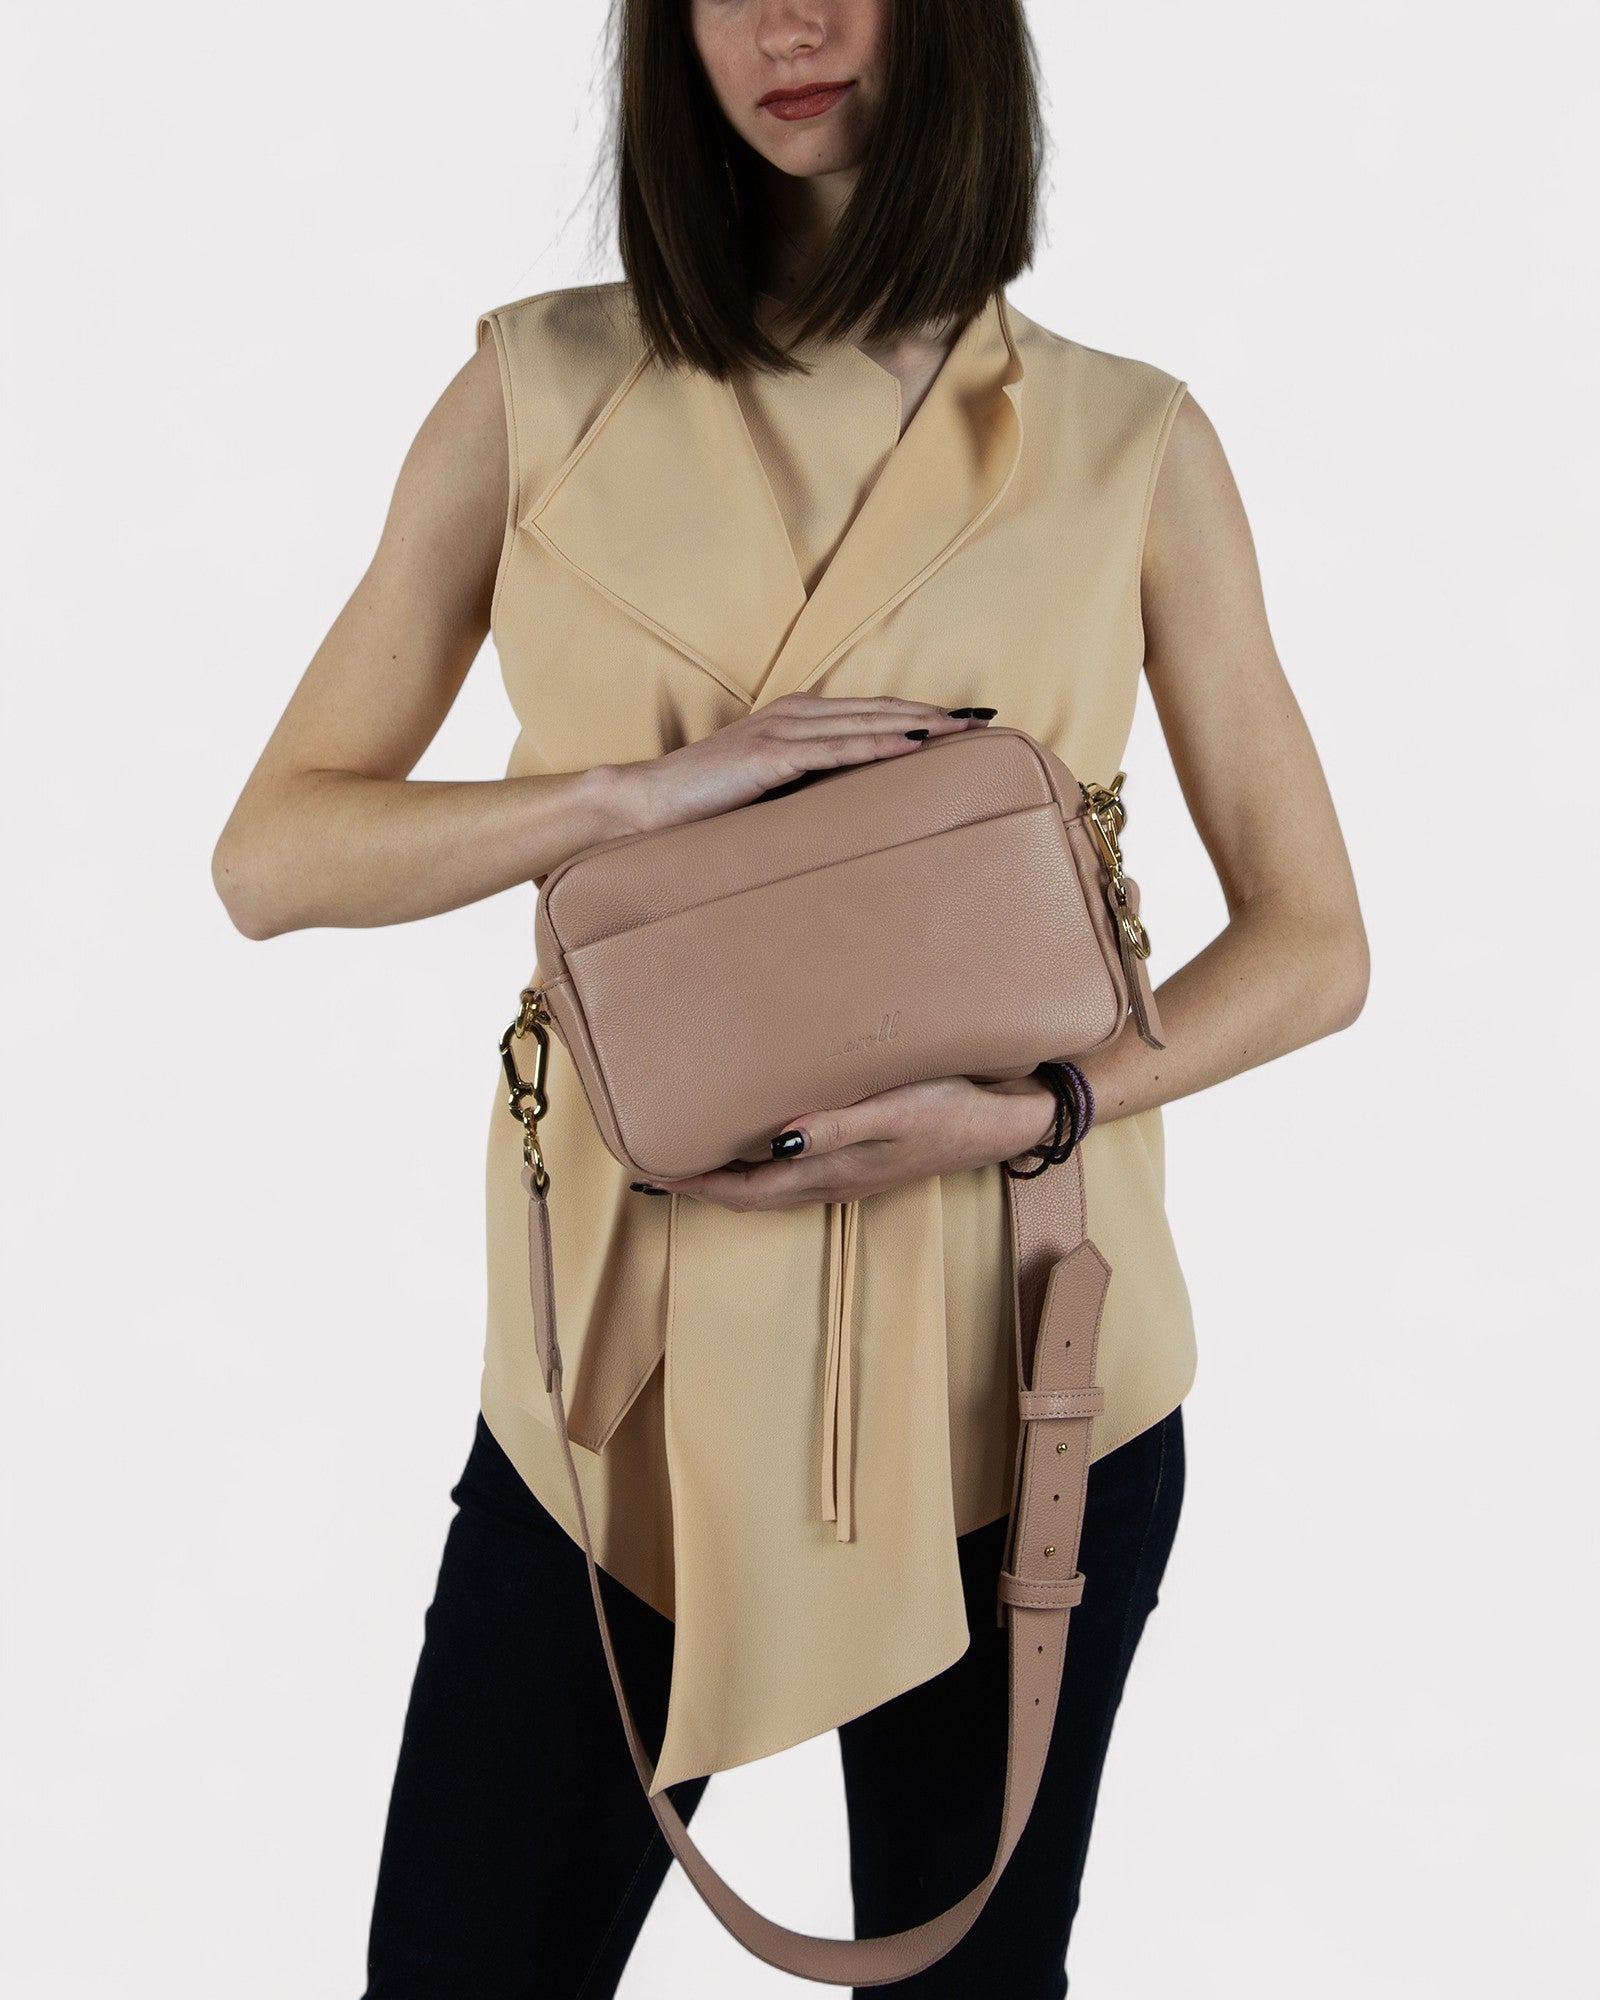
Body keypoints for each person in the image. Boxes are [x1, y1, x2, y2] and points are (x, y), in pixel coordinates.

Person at [212, 2, 1369, 1993]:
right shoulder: (532, 388)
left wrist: (1035, 1111)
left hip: (1014, 1374)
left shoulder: (1125, 439)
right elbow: (270, 856)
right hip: (614, 1401)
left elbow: (1313, 938)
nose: (789, 23)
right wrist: (625, 796)